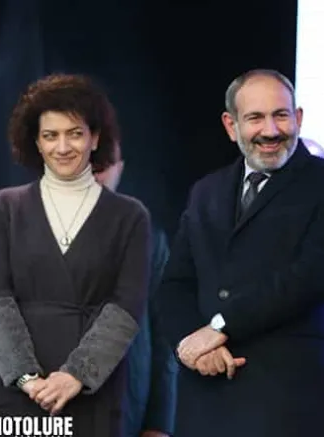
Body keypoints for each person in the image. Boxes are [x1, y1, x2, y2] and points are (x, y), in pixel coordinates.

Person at [156, 68, 324, 437]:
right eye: (255, 117)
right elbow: (175, 283)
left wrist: (219, 327)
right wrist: (191, 342)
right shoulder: (206, 191)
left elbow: (315, 276)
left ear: (298, 117)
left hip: (287, 403)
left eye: (280, 115)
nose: (270, 131)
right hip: (205, 398)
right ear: (231, 125)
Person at [0, 73, 151, 437]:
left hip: (91, 392)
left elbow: (126, 306)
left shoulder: (130, 216)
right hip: (15, 393)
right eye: (50, 135)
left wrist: (76, 376)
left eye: (74, 133)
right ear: (36, 142)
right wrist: (27, 379)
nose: (62, 147)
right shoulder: (3, 208)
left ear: (95, 138)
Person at [93, 146, 178, 437]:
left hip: (128, 414)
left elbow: (164, 337)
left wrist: (159, 424)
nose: (95, 174)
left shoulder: (150, 238)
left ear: (119, 169)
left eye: (103, 165)